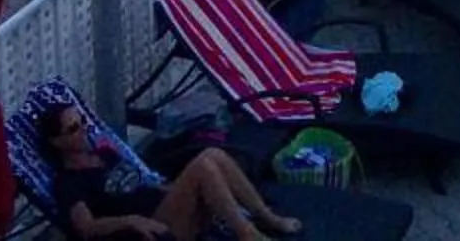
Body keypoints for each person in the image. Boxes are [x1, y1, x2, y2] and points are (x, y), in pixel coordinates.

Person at [36, 101, 299, 240]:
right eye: (73, 128)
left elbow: (139, 184)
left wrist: (173, 189)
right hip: (155, 231)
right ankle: (248, 235)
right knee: (204, 163)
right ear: (56, 142)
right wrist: (131, 221)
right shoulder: (68, 183)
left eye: (82, 122)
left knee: (214, 156)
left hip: (170, 209)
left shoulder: (104, 153)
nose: (83, 129)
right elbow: (87, 227)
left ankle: (265, 217)